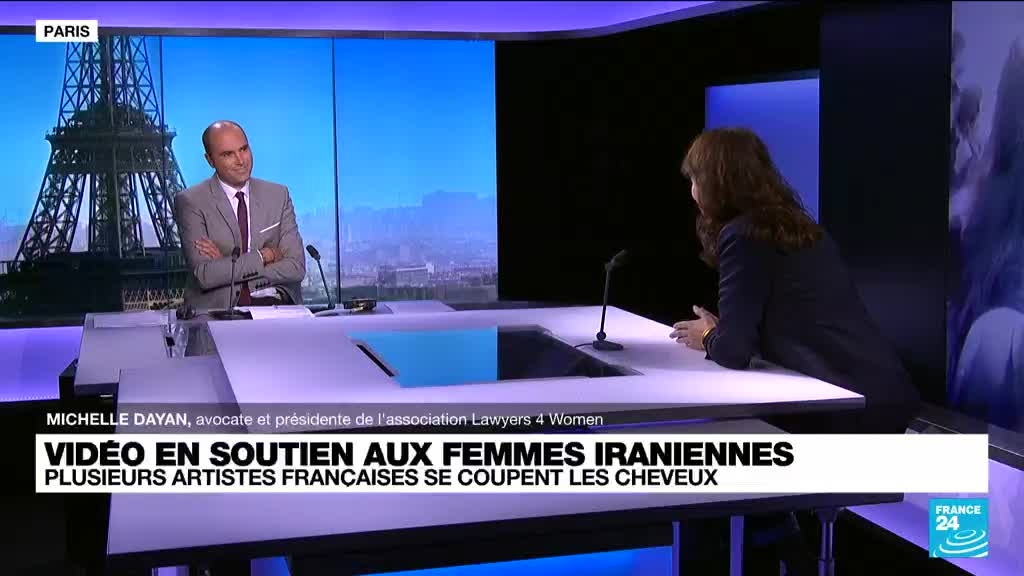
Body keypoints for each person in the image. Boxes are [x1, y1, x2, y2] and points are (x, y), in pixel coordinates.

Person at [668, 127, 920, 574]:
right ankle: (787, 548)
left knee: (704, 460)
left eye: (696, 180)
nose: (692, 192)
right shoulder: (797, 226)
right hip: (882, 398)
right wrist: (725, 331)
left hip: (843, 412)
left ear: (720, 182)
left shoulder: (742, 235)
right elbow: (781, 322)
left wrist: (708, 336)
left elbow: (734, 351)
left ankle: (782, 551)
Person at [174, 120, 305, 310]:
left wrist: (227, 266)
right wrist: (264, 256)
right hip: (217, 312)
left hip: (275, 309)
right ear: (210, 160)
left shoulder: (278, 195)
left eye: (244, 149)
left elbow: (296, 267)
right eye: (228, 154)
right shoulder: (191, 201)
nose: (241, 160)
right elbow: (205, 275)